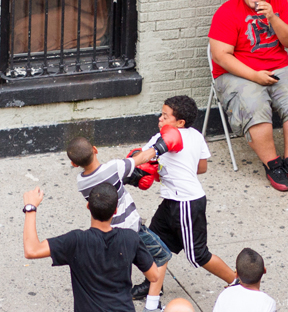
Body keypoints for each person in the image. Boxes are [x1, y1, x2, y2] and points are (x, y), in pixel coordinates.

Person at [209, 0, 288, 191]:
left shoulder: (280, 3)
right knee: (254, 104)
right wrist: (255, 76)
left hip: (278, 68)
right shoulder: (227, 11)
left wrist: (273, 17)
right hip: (237, 73)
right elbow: (220, 56)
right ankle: (273, 165)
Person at [67, 137, 173, 312]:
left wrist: (123, 179)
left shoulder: (82, 183)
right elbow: (142, 158)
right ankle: (152, 305)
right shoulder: (114, 167)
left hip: (107, 231)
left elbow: (105, 187)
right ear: (95, 149)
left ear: (74, 163)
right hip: (132, 228)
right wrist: (161, 146)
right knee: (162, 256)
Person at [141, 96, 236, 290]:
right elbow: (201, 168)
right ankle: (152, 289)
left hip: (185, 203)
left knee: (198, 254)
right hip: (175, 199)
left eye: (165, 116)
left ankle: (237, 282)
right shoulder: (196, 135)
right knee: (155, 242)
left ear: (179, 122)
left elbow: (139, 160)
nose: (160, 118)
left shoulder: (161, 139)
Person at [22, 183, 159, 312]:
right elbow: (153, 276)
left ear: (88, 206)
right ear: (115, 210)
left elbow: (31, 250)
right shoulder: (130, 238)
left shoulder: (76, 241)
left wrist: (30, 208)